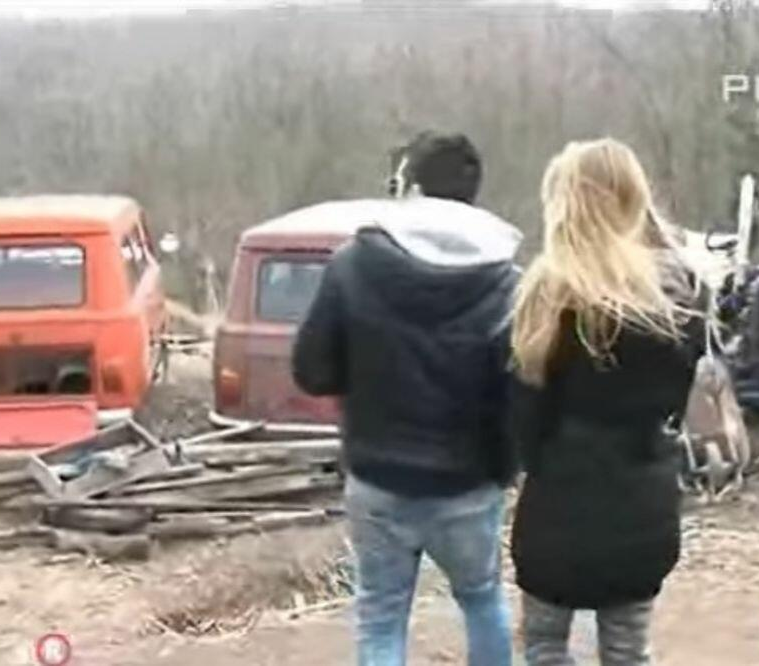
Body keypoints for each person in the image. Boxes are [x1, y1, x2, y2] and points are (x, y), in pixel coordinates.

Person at [292, 131, 520, 666]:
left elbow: (312, 371)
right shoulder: (507, 283)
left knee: (381, 617)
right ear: (472, 194)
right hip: (469, 483)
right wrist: (505, 466)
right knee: (482, 600)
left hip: (378, 476)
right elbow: (520, 391)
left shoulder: (353, 265)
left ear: (411, 186)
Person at [508, 138, 706, 665]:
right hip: (644, 506)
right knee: (627, 652)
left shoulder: (545, 294)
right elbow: (678, 402)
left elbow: (524, 422)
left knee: (545, 646)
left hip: (557, 510)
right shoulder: (680, 293)